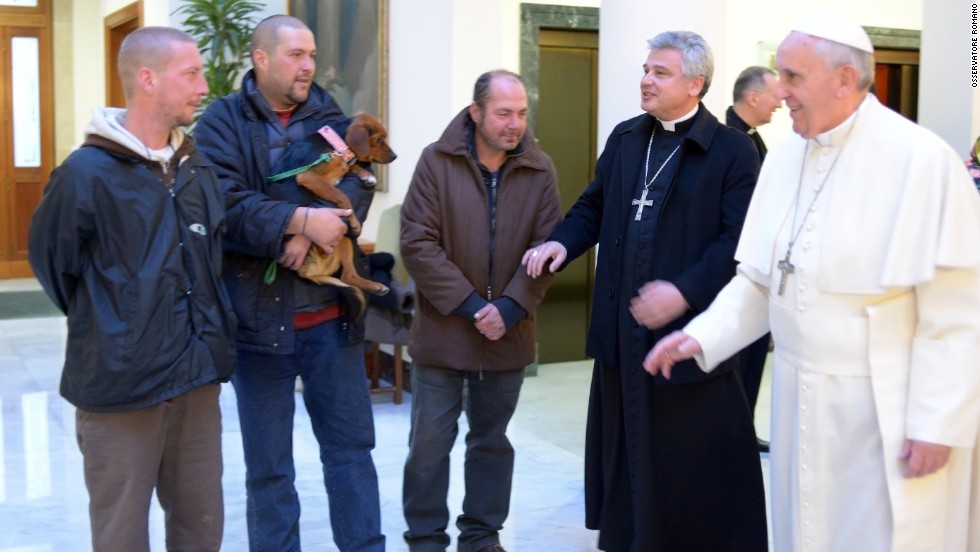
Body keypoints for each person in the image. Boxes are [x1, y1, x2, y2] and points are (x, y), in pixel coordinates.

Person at [644, 15, 980, 552]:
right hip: (799, 397)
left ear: (844, 79)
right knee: (807, 532)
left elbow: (959, 313)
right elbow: (759, 279)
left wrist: (938, 421)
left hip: (884, 410)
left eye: (792, 77)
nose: (780, 92)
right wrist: (703, 335)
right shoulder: (784, 158)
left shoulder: (923, 162)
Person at [524, 31, 768, 550]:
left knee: (684, 463)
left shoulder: (730, 151)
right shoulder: (627, 138)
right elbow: (593, 205)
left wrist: (684, 291)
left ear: (695, 84)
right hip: (621, 332)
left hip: (688, 337)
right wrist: (561, 245)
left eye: (660, 72)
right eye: (645, 69)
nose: (645, 79)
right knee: (626, 453)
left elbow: (737, 242)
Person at [27, 27, 236, 552]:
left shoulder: (198, 167)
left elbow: (211, 257)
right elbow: (57, 268)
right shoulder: (84, 175)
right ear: (148, 79)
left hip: (196, 380)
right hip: (121, 391)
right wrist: (119, 327)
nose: (203, 84)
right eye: (190, 73)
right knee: (121, 537)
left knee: (201, 530)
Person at [193, 14, 385, 552]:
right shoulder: (221, 124)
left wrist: (328, 223)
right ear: (261, 58)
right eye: (296, 55)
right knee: (270, 472)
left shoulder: (332, 116)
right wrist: (297, 224)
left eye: (311, 55)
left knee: (351, 455)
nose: (308, 66)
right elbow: (222, 204)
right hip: (258, 328)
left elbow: (361, 184)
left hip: (331, 324)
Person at [400, 70, 562, 552]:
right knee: (428, 447)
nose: (515, 124)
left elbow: (549, 246)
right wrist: (474, 306)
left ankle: (481, 536)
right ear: (476, 113)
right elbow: (417, 242)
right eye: (503, 113)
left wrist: (510, 306)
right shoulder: (436, 161)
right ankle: (426, 538)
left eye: (522, 113)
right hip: (444, 331)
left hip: (508, 334)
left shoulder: (540, 169)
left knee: (491, 444)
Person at [726, 65, 783, 452]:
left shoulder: (754, 138)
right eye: (774, 93)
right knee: (738, 355)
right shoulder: (730, 140)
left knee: (753, 356)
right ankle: (732, 429)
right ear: (753, 97)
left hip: (760, 264)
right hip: (737, 267)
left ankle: (742, 425)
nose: (780, 101)